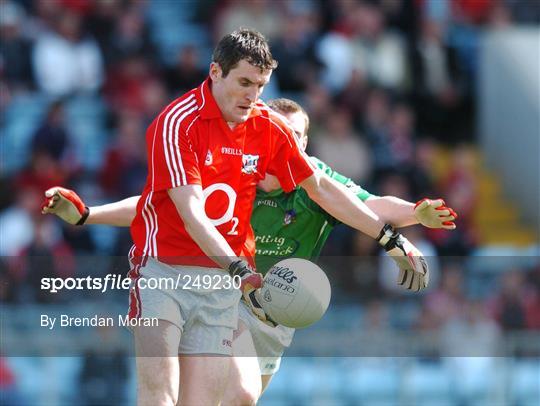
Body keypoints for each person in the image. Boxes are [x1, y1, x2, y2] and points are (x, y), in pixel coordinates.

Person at [43, 29, 435, 406]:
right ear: (216, 72)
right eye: (245, 83)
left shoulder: (268, 130)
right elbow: (185, 208)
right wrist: (88, 217)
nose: (253, 96)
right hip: (166, 272)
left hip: (224, 287)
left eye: (261, 86)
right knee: (160, 396)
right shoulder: (176, 123)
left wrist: (392, 239)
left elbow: (327, 190)